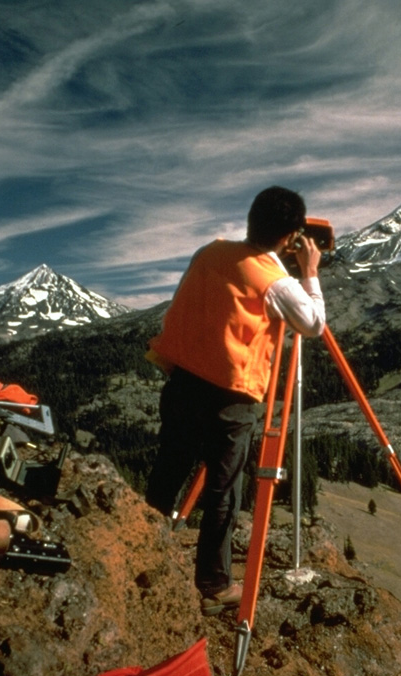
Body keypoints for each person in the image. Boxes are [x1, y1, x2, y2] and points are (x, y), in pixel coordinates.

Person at [145, 186, 326, 616]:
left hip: (184, 383)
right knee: (223, 492)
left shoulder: (209, 252)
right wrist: (310, 272)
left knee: (167, 473)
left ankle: (140, 550)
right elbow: (314, 324)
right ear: (289, 238)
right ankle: (214, 585)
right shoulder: (276, 281)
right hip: (232, 397)